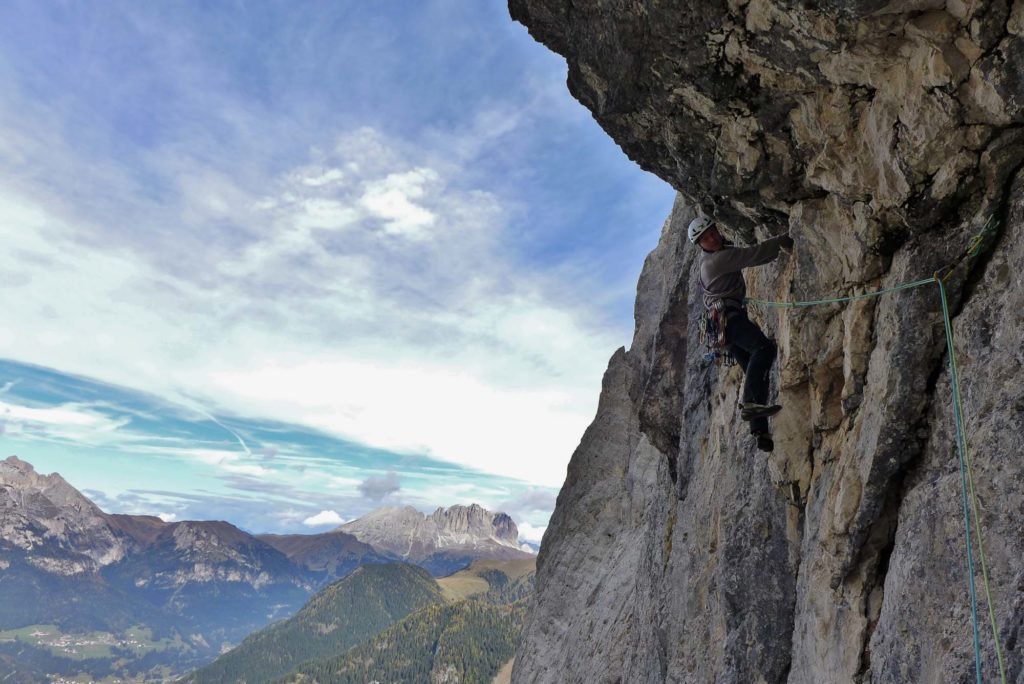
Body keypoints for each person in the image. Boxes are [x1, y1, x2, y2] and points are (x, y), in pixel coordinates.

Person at [688, 215, 793, 452]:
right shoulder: (719, 260)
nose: (712, 238)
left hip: (722, 327)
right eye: (705, 238)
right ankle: (750, 404)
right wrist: (790, 235)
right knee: (763, 349)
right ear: (700, 245)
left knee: (753, 369)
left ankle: (760, 431)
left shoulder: (712, 259)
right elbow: (756, 254)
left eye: (712, 232)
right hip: (730, 321)